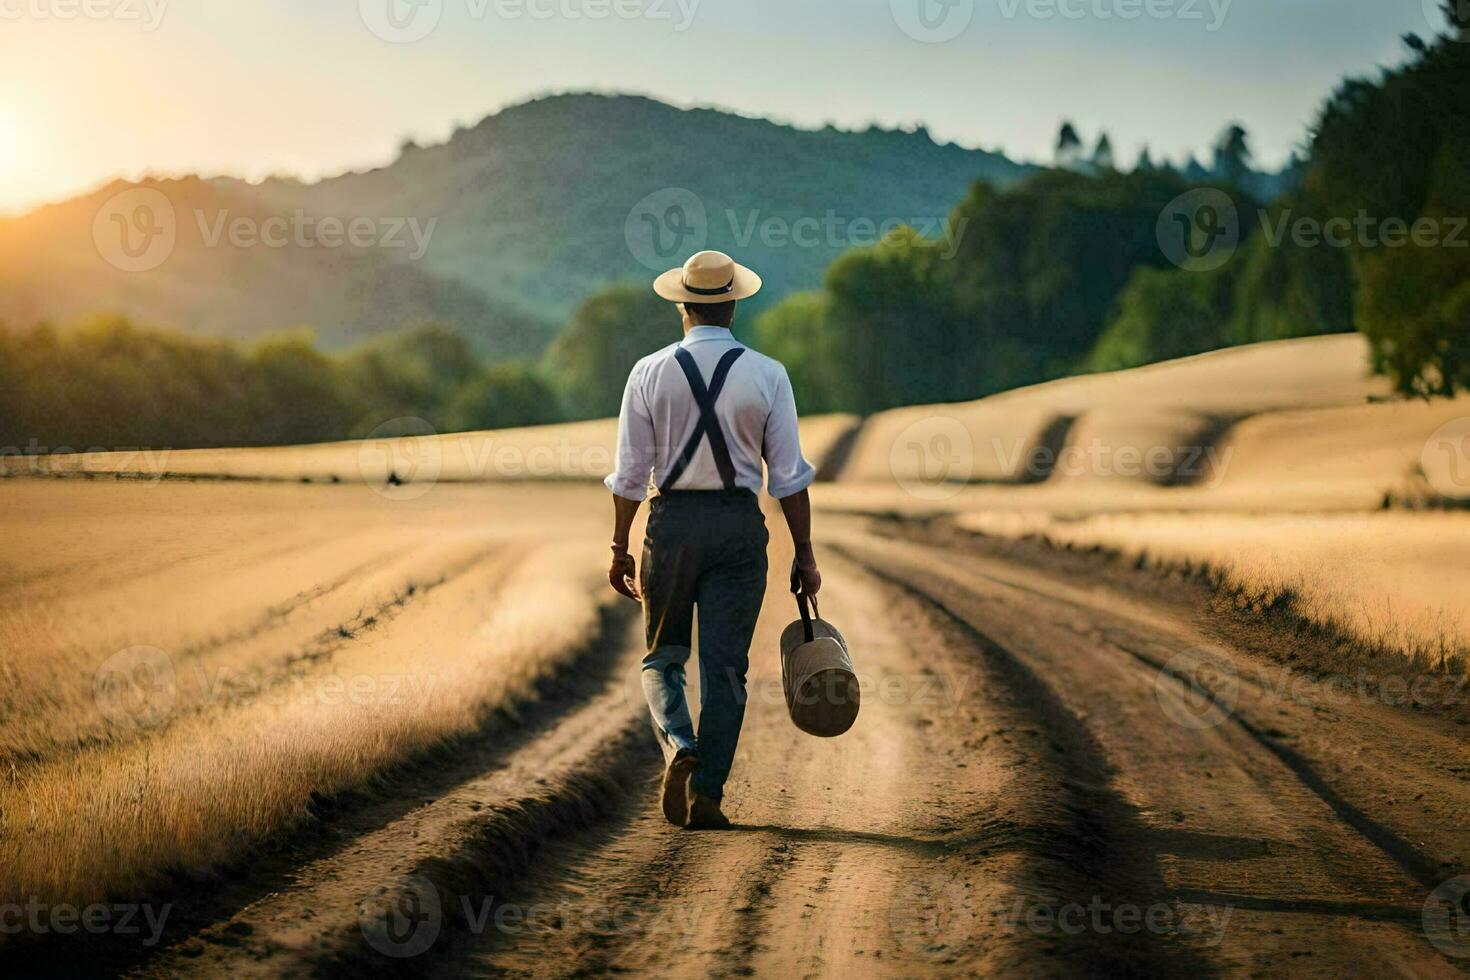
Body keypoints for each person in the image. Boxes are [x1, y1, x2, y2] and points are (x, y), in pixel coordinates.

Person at [604, 250, 822, 830]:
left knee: (662, 657)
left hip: (671, 527)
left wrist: (620, 546)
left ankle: (679, 745)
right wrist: (804, 554)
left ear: (683, 306)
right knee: (727, 671)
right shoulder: (768, 374)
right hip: (738, 530)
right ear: (732, 305)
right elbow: (790, 477)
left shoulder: (647, 372)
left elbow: (629, 475)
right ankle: (708, 796)